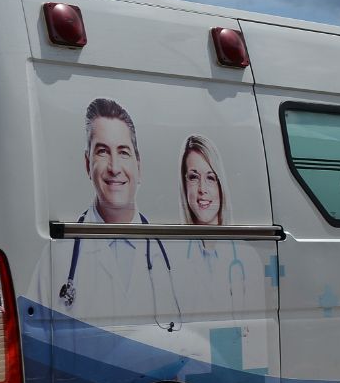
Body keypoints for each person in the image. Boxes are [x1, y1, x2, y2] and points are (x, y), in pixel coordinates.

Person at [59, 98, 180, 330]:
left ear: (138, 165)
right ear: (87, 164)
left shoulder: (172, 256)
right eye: (102, 152)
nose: (114, 167)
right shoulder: (57, 256)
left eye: (123, 152)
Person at [181, 135, 247, 315]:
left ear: (221, 185)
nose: (202, 189)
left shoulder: (244, 256)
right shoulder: (173, 258)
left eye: (210, 178)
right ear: (184, 184)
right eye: (194, 177)